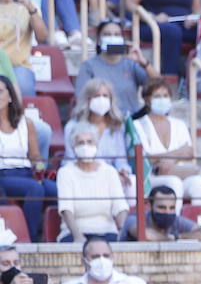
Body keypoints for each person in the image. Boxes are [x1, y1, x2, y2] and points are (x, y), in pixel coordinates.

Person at [131, 78, 201, 206]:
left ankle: (200, 222)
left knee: (199, 183)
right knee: (174, 183)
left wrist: (169, 161)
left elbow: (190, 153)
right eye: (157, 96)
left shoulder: (179, 124)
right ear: (147, 100)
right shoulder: (138, 125)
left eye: (165, 95)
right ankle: (174, 223)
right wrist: (178, 153)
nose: (162, 99)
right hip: (151, 178)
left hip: (178, 172)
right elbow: (145, 157)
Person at [0, 75, 54, 242]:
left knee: (58, 191)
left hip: (25, 172)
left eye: (0, 92)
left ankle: (57, 236)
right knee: (35, 190)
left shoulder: (26, 123)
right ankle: (29, 239)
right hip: (3, 175)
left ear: (10, 96)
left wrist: (39, 170)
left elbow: (35, 156)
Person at [57, 124, 127, 243]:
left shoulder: (109, 171)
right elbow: (66, 209)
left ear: (96, 145)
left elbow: (120, 206)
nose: (85, 146)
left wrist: (121, 230)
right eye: (81, 143)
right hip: (75, 233)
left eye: (89, 142)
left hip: (107, 231)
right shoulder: (65, 173)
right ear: (74, 148)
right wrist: (78, 236)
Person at [65, 78, 132, 193]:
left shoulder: (117, 126)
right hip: (83, 174)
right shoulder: (72, 126)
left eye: (105, 96)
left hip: (112, 177)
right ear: (88, 99)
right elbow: (70, 160)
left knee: (131, 182)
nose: (101, 99)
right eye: (97, 96)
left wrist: (123, 172)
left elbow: (121, 161)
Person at [76, 19, 153, 120]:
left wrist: (144, 62)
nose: (112, 38)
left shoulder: (131, 64)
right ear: (99, 40)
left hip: (132, 120)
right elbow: (81, 98)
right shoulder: (88, 66)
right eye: (107, 34)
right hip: (103, 121)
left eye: (117, 34)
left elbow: (157, 85)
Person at [0, 0, 47, 99]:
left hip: (19, 67)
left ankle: (23, 119)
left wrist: (29, 7)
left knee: (23, 82)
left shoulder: (28, 6)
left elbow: (42, 37)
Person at [120, 184, 201, 241]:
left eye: (172, 208)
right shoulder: (133, 219)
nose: (167, 212)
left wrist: (179, 237)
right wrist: (170, 239)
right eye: (162, 207)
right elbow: (146, 235)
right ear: (150, 205)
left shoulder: (176, 220)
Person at [57, 237, 148, 284]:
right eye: (95, 257)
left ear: (113, 258)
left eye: (106, 256)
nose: (102, 260)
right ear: (83, 262)